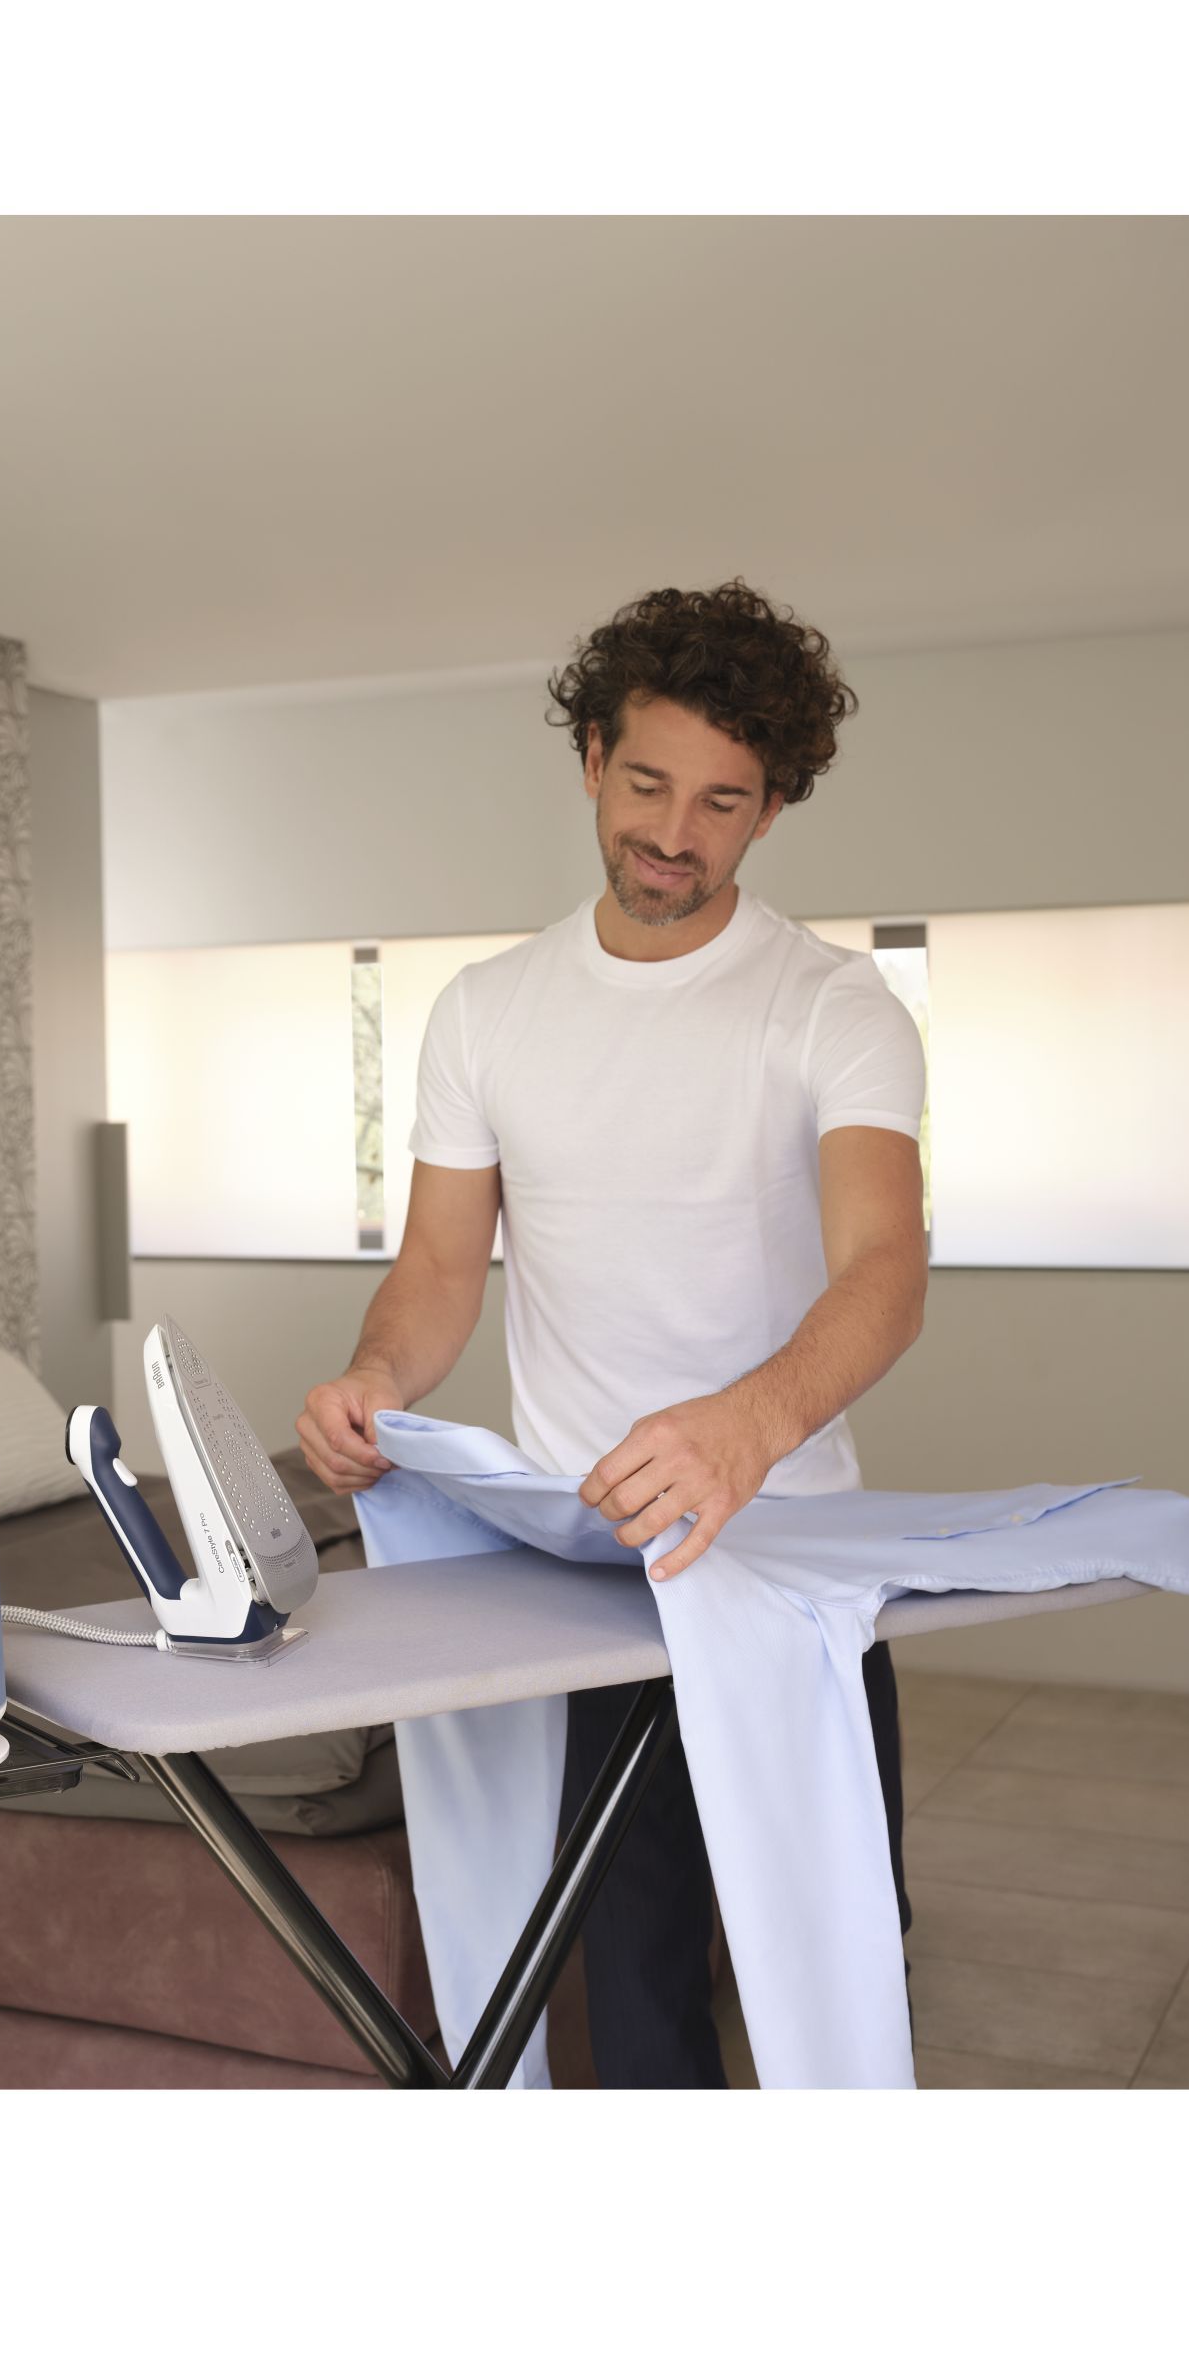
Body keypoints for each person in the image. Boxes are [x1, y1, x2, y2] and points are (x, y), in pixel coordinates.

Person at [296, 579, 928, 2087]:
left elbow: (887, 1266)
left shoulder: (833, 1006)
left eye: (723, 801)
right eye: (647, 783)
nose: (675, 832)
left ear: (773, 807)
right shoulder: (487, 1010)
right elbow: (441, 1266)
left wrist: (745, 1428)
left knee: (841, 1989)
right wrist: (378, 1375)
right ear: (590, 759)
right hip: (589, 1570)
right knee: (636, 2002)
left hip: (792, 1566)